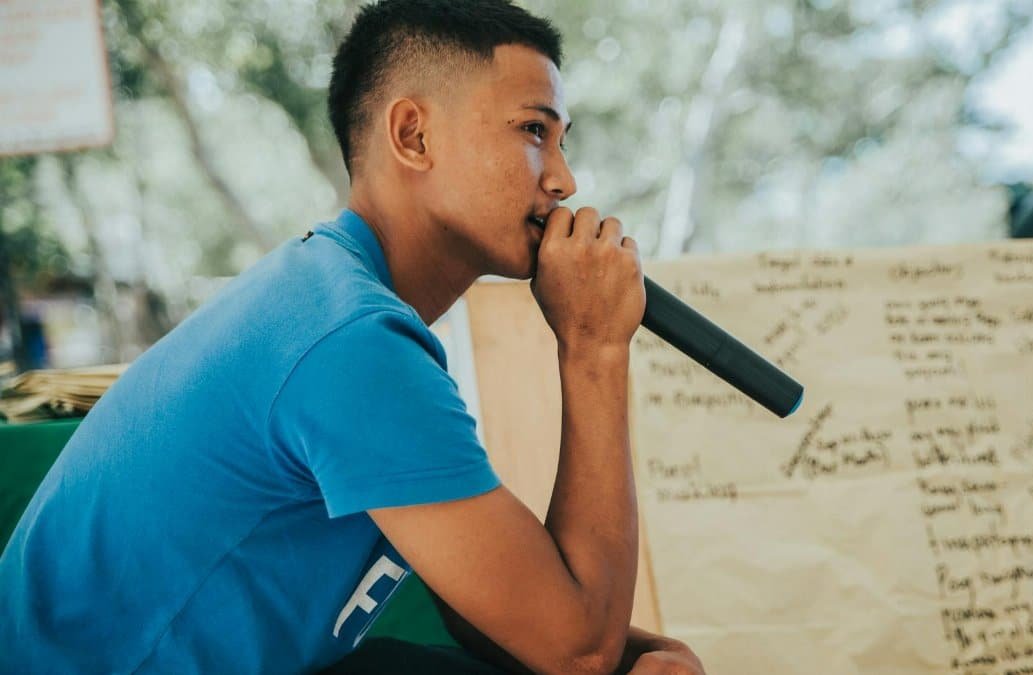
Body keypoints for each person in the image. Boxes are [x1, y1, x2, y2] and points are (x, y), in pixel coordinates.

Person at [0, 0, 705, 673]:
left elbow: (490, 598)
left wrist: (636, 652)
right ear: (413, 136)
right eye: (533, 131)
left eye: (561, 140)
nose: (564, 178)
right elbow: (575, 650)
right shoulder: (347, 341)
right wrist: (594, 348)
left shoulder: (334, 294)